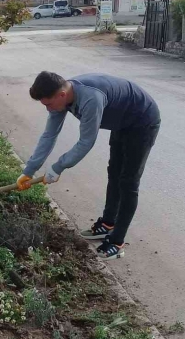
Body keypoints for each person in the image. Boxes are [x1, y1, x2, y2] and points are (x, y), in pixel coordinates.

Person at [16, 71, 161, 260]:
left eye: (48, 104)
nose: (48, 110)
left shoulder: (91, 98)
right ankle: (108, 224)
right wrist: (29, 171)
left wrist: (58, 167)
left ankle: (117, 242)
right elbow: (49, 135)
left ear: (61, 95)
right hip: (122, 124)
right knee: (114, 173)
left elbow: (86, 142)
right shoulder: (62, 98)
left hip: (142, 121)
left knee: (128, 182)